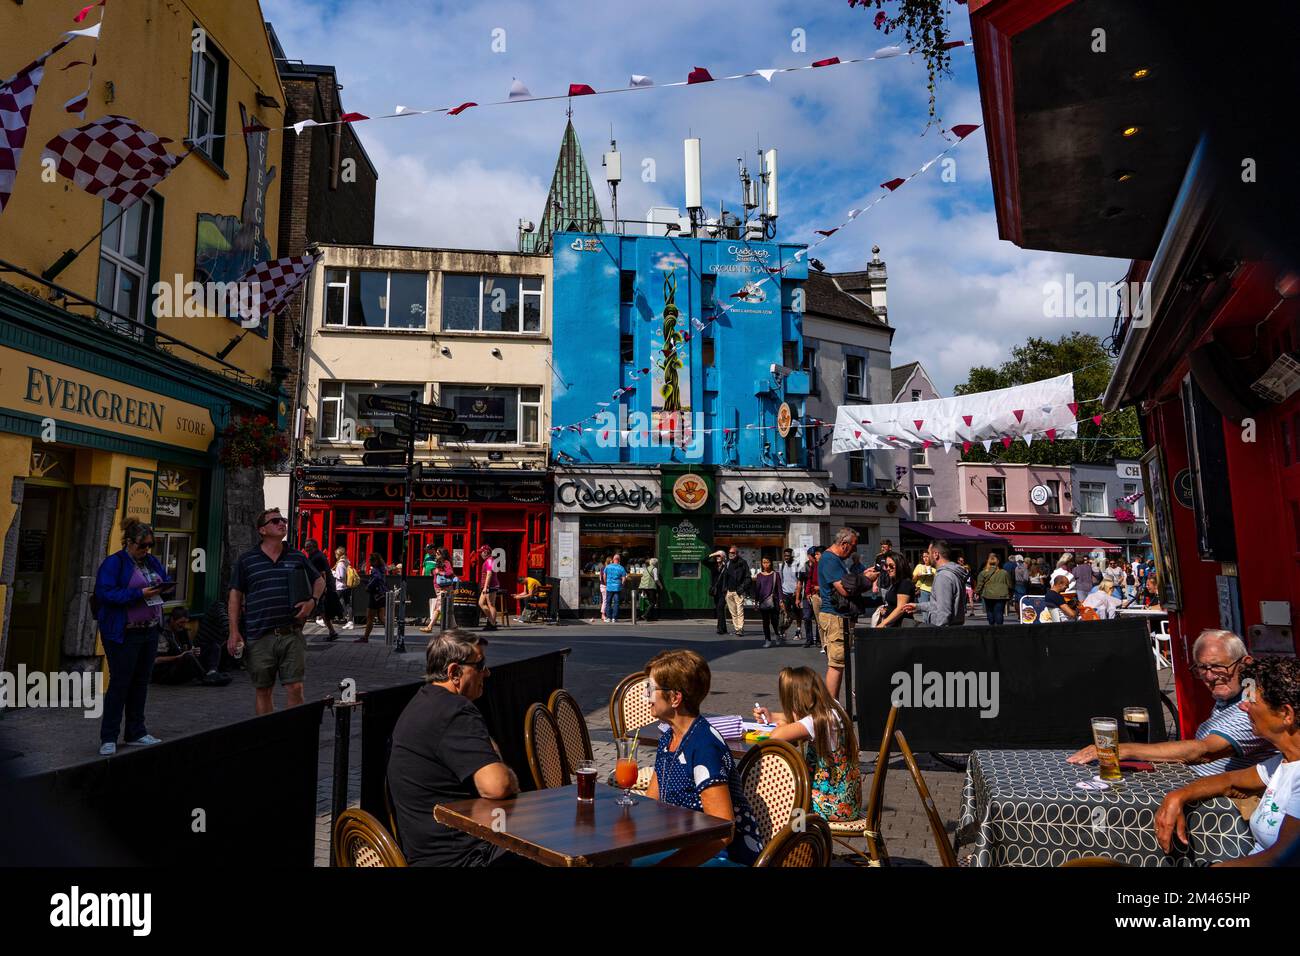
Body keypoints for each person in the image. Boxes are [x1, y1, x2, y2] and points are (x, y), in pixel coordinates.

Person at [386, 630, 530, 866]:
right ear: (454, 673)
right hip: (464, 856)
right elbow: (497, 785)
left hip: (427, 852)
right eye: (480, 665)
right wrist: (509, 777)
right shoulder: (455, 711)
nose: (487, 672)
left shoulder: (423, 701)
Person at [1153, 655, 1300, 865]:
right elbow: (1229, 781)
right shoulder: (1283, 761)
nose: (1242, 707)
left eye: (1251, 700)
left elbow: (1280, 859)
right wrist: (1178, 796)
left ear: (1286, 714)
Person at [1070, 629, 1277, 773]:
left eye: (1217, 666)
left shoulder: (1253, 706)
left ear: (1245, 663)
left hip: (1222, 808)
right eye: (1202, 668)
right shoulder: (1237, 691)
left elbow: (1203, 751)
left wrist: (1123, 749)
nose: (1210, 676)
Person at [643, 649, 760, 865]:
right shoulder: (669, 738)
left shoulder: (704, 745)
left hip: (722, 856)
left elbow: (723, 832)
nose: (645, 696)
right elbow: (651, 804)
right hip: (682, 845)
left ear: (675, 698)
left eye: (650, 689)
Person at [228, 508, 324, 715]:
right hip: (259, 635)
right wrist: (233, 632)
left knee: (295, 687)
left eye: (283, 520)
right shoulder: (247, 560)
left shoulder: (297, 556)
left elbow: (319, 580)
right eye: (275, 521)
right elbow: (235, 596)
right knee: (263, 690)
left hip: (291, 633)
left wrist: (312, 602)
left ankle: (292, 732)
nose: (282, 523)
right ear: (262, 530)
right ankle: (268, 732)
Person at [94, 517, 172, 755]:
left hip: (149, 629)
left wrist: (165, 587)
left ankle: (136, 731)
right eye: (142, 545)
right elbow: (105, 594)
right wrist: (139, 594)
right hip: (124, 632)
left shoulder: (151, 561)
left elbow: (164, 580)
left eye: (150, 545)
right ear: (129, 542)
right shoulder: (114, 563)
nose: (146, 549)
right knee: (120, 682)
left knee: (141, 682)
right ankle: (108, 736)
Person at [753, 667, 861, 822]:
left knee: (776, 793)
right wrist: (772, 716)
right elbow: (801, 720)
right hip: (847, 801)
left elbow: (776, 737)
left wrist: (782, 724)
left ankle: (786, 832)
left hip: (833, 805)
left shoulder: (815, 722)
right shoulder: (832, 709)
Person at [818, 528, 876, 700]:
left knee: (839, 662)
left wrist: (862, 575)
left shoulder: (835, 560)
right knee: (837, 664)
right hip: (835, 616)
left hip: (838, 616)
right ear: (844, 544)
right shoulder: (830, 560)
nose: (854, 551)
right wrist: (867, 580)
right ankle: (831, 707)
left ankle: (832, 706)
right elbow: (845, 590)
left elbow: (847, 582)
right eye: (853, 546)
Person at [152, 607, 230, 686]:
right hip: (166, 672)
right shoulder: (162, 634)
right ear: (172, 619)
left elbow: (189, 649)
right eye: (181, 622)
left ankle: (212, 672)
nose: (183, 625)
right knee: (188, 656)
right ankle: (206, 677)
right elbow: (156, 659)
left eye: (185, 622)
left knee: (213, 646)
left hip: (183, 663)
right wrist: (179, 657)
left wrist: (194, 651)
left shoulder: (182, 631)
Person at [916, 539, 968, 627]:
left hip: (945, 631)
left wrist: (939, 632)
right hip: (954, 628)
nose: (928, 557)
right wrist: (917, 606)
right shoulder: (951, 573)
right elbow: (939, 604)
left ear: (936, 554)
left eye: (929, 553)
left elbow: (943, 612)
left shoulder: (943, 576)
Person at [303, 539, 340, 641]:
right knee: (322, 611)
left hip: (322, 588)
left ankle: (298, 631)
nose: (306, 549)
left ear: (314, 546)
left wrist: (323, 588)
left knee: (315, 609)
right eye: (305, 546)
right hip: (321, 587)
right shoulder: (316, 555)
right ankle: (332, 631)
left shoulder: (317, 557)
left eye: (308, 546)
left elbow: (322, 573)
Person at [717, 546, 753, 637]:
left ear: (737, 553)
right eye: (730, 552)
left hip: (738, 591)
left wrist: (742, 588)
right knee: (733, 612)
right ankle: (737, 629)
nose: (731, 554)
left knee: (739, 611)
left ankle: (740, 629)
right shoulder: (728, 563)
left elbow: (748, 577)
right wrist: (725, 589)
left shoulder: (742, 563)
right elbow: (724, 577)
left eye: (733, 553)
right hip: (729, 591)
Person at [875, 554, 917, 628]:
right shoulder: (895, 583)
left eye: (891, 566)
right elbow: (893, 604)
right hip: (894, 625)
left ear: (900, 565)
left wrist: (882, 624)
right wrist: (886, 610)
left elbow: (901, 608)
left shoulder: (905, 583)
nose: (888, 568)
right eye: (886, 566)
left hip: (902, 626)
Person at [421, 548, 457, 633]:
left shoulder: (446, 562)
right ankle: (454, 627)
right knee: (446, 607)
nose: (436, 555)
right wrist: (434, 571)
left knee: (438, 608)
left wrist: (439, 572)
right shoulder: (438, 562)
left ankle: (430, 627)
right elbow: (435, 573)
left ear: (442, 555)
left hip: (444, 588)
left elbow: (450, 572)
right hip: (438, 588)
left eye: (438, 553)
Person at [974, 553, 1013, 626]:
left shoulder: (983, 573)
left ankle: (991, 625)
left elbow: (979, 584)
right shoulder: (1004, 572)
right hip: (1001, 595)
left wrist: (977, 592)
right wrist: (1010, 593)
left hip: (988, 595)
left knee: (990, 611)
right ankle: (999, 627)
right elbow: (1009, 584)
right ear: (997, 562)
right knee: (999, 612)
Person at [753, 556, 781, 647]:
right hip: (763, 601)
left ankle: (777, 634)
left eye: (767, 562)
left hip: (774, 601)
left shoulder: (775, 574)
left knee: (774, 621)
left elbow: (779, 589)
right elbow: (757, 589)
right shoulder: (759, 575)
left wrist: (781, 601)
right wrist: (756, 602)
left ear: (771, 563)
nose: (765, 564)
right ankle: (767, 640)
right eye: (764, 562)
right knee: (765, 622)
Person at [358, 553, 387, 643]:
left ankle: (365, 637)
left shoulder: (375, 569)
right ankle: (391, 634)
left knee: (370, 617)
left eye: (371, 560)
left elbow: (376, 579)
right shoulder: (382, 568)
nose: (369, 562)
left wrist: (368, 586)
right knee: (381, 618)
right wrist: (363, 580)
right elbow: (377, 580)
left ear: (375, 561)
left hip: (375, 596)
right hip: (381, 595)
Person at [799, 547, 821, 648]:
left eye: (815, 555)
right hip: (807, 596)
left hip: (817, 594)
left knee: (818, 618)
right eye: (812, 555)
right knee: (807, 617)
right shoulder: (804, 567)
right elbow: (800, 582)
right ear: (808, 556)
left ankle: (818, 640)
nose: (814, 557)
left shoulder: (819, 565)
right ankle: (809, 639)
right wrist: (798, 597)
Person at [476, 545, 500, 630]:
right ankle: (491, 621)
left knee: (491, 604)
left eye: (481, 552)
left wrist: (486, 587)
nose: (480, 554)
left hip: (491, 585)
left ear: (486, 552)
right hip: (488, 585)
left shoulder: (489, 561)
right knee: (481, 603)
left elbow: (489, 574)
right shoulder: (489, 560)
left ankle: (492, 624)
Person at [778, 548, 800, 640]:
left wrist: (797, 592)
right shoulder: (782, 565)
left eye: (788, 555)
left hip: (795, 593)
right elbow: (780, 580)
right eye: (785, 556)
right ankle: (783, 631)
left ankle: (798, 631)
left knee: (797, 613)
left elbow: (799, 580)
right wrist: (780, 594)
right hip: (785, 592)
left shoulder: (797, 565)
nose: (786, 557)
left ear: (792, 556)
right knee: (785, 613)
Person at [707, 552, 729, 635]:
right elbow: (703, 561)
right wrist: (713, 554)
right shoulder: (713, 566)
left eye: (720, 556)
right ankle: (724, 628)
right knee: (719, 609)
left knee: (720, 608)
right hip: (715, 592)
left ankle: (719, 628)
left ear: (723, 557)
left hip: (723, 591)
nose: (718, 557)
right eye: (717, 556)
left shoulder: (726, 567)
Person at [602, 552, 627, 623]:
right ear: (619, 560)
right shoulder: (621, 568)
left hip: (609, 587)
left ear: (613, 559)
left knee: (608, 602)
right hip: (617, 587)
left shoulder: (608, 567)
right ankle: (614, 618)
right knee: (616, 603)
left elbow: (604, 576)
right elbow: (624, 578)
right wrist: (622, 585)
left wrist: (606, 583)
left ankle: (608, 617)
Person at [332, 547, 355, 629]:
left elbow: (340, 576)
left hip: (341, 587)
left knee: (333, 602)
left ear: (338, 554)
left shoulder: (341, 564)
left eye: (336, 554)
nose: (335, 556)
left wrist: (333, 573)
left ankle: (326, 618)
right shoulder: (346, 562)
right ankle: (350, 622)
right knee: (348, 604)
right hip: (346, 587)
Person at [643, 557, 662, 621]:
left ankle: (650, 617)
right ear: (655, 563)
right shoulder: (654, 568)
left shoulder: (647, 568)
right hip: (651, 587)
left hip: (645, 587)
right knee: (653, 602)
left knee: (650, 602)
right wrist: (660, 585)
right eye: (657, 563)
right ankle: (645, 615)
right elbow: (656, 579)